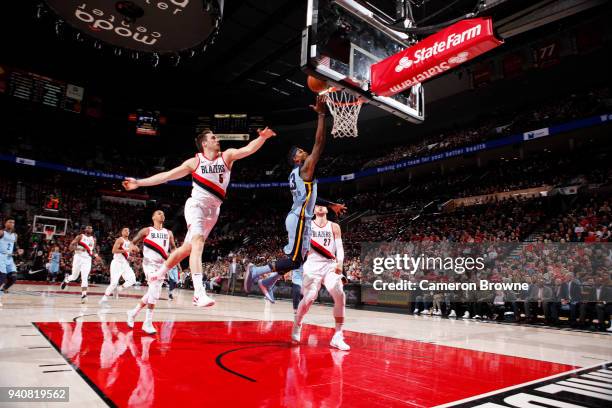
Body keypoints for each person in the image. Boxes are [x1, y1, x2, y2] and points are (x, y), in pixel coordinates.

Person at [123, 126, 276, 308]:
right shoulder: (194, 162)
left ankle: (160, 272)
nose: (217, 140)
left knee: (186, 249)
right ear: (204, 143)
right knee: (198, 243)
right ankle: (199, 293)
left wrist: (263, 138)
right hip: (196, 206)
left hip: (213, 211)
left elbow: (248, 149)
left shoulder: (227, 156)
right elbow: (167, 176)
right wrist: (139, 182)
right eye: (213, 138)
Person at [244, 97, 346, 298]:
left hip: (299, 217)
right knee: (294, 261)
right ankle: (257, 271)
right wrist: (321, 114)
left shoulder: (297, 174)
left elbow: (311, 197)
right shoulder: (305, 168)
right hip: (299, 219)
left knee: (299, 259)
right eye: (299, 151)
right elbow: (319, 143)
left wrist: (331, 205)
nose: (303, 151)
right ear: (295, 159)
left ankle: (268, 281)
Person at [292, 205, 349, 351]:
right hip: (312, 265)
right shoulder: (307, 225)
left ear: (328, 210)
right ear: (314, 209)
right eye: (317, 205)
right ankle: (297, 324)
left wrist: (340, 263)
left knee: (339, 293)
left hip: (330, 264)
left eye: (323, 205)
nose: (321, 207)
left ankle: (338, 335)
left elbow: (340, 248)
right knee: (310, 296)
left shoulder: (334, 226)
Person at [126, 210, 176, 334]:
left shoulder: (168, 233)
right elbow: (132, 242)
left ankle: (133, 313)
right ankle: (147, 323)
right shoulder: (147, 230)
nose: (162, 214)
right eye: (159, 213)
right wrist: (133, 247)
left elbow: (173, 248)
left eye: (163, 213)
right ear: (153, 217)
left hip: (162, 265)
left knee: (154, 294)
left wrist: (175, 257)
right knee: (153, 290)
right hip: (149, 265)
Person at [60, 225, 100, 303]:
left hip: (87, 259)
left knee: (85, 277)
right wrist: (79, 248)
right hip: (78, 257)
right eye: (88, 227)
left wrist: (96, 256)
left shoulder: (93, 239)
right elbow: (70, 247)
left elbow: (93, 250)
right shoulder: (80, 236)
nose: (90, 229)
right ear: (85, 229)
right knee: (74, 277)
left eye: (91, 228)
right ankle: (66, 279)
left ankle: (84, 295)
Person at [99, 227, 137, 306]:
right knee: (113, 283)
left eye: (128, 230)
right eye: (125, 230)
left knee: (132, 279)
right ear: (122, 232)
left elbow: (130, 253)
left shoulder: (130, 243)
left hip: (125, 264)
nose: (127, 232)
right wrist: (125, 250)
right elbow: (114, 251)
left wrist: (130, 258)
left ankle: (120, 288)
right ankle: (104, 299)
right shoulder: (119, 240)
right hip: (117, 263)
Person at [0, 218, 18, 307]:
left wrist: (18, 251)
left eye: (13, 222)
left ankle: (4, 288)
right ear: (5, 223)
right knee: (2, 277)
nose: (12, 223)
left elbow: (14, 248)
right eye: (10, 222)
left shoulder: (15, 235)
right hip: (1, 255)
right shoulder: (1, 232)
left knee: (14, 278)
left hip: (9, 257)